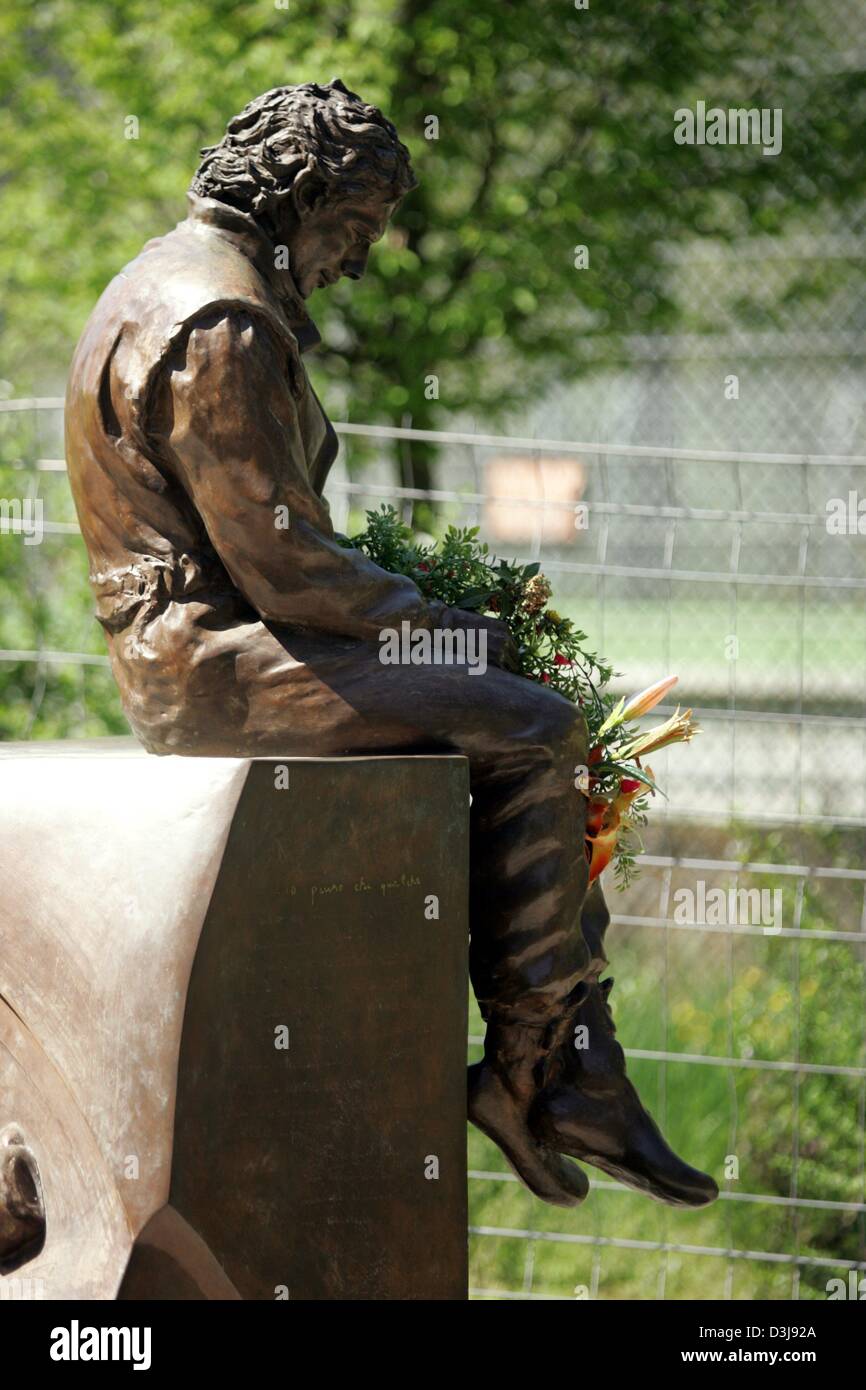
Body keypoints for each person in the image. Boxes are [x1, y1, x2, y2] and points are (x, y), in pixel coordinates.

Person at [65, 79, 717, 1209]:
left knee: (511, 706)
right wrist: (455, 629)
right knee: (533, 723)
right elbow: (288, 569)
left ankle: (571, 1064)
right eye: (352, 231)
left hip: (217, 643)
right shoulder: (216, 317)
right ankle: (536, 1071)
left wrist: (440, 626)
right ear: (300, 193)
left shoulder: (168, 283)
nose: (355, 263)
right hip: (210, 663)